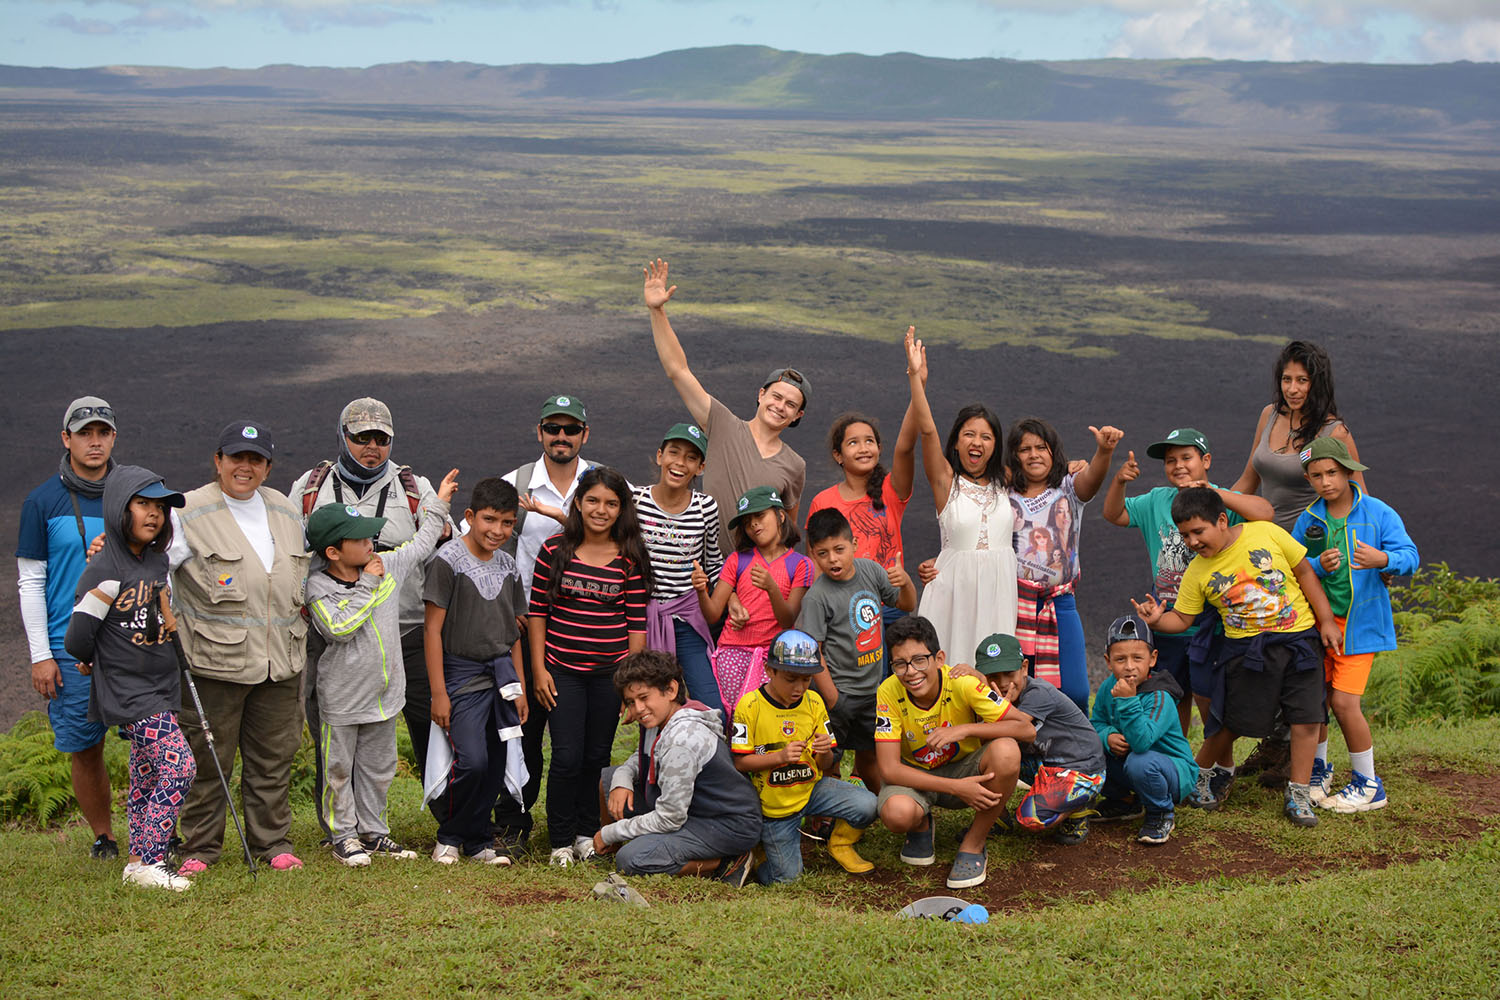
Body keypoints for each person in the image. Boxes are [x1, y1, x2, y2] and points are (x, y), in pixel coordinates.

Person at [1132, 487, 1343, 828]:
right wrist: (1157, 619)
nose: (1192, 541)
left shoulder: (1265, 532)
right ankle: (1196, 775)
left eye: (1198, 531)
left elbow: (1304, 572)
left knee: (1307, 720)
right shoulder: (1198, 572)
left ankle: (1300, 793)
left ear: (1220, 520)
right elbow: (1183, 619)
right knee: (1229, 722)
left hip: (1299, 641)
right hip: (1246, 651)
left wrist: (1328, 621)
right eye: (1185, 535)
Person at [291, 397, 448, 842]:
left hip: (407, 632)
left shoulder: (413, 487)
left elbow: (434, 542)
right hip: (332, 628)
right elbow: (286, 547)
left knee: (422, 727)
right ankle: (341, 831)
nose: (371, 447)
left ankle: (446, 822)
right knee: (334, 733)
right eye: (361, 438)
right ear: (343, 437)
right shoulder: (310, 486)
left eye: (381, 438)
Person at [171, 421, 311, 874]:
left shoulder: (287, 511)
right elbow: (150, 566)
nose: (244, 467)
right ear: (218, 461)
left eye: (255, 459)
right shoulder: (187, 512)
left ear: (268, 467)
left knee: (273, 759)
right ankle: (200, 849)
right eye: (236, 458)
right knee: (208, 760)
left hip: (281, 662)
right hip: (215, 663)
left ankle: (273, 843)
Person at [304, 468, 458, 867]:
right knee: (339, 769)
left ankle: (373, 833)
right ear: (333, 552)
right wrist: (369, 587)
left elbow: (422, 542)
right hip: (341, 700)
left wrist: (438, 503)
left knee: (378, 769)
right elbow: (339, 628)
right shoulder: (319, 587)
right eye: (358, 539)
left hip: (384, 698)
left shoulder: (386, 564)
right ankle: (343, 835)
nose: (370, 542)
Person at [63, 466, 194, 891]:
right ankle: (150, 860)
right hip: (130, 688)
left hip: (162, 682)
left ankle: (139, 855)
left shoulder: (155, 560)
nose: (154, 514)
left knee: (148, 775)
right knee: (179, 767)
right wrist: (94, 661)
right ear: (120, 509)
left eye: (160, 507)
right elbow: (78, 637)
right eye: (143, 504)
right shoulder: (103, 568)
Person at [1100, 428, 1275, 734]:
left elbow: (1265, 514)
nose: (1178, 465)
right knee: (1169, 696)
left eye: (1186, 457)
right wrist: (1119, 481)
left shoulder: (1219, 501)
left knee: (1209, 697)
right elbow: (1114, 514)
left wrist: (1215, 493)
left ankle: (1216, 764)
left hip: (1212, 622)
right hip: (1168, 618)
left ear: (1205, 460)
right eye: (1170, 460)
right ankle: (1177, 755)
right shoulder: (1157, 500)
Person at [491, 392, 599, 856]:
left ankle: (577, 825)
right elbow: (478, 539)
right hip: (522, 623)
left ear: (583, 435)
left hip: (582, 623)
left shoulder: (602, 485)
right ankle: (512, 825)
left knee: (581, 740)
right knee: (524, 729)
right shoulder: (512, 484)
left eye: (570, 429)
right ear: (539, 433)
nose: (561, 436)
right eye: (552, 428)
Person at [643, 258, 808, 555]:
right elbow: (678, 371)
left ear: (798, 415)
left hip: (753, 582)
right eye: (776, 396)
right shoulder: (722, 424)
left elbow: (787, 534)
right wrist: (657, 310)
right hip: (701, 569)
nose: (780, 406)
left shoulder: (795, 466)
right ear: (761, 394)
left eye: (790, 404)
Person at [529, 467, 651, 867]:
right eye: (593, 501)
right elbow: (537, 615)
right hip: (561, 671)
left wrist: (630, 686)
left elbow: (636, 624)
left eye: (611, 503)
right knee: (566, 755)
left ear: (622, 509)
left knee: (596, 756)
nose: (601, 510)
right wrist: (539, 669)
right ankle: (560, 840)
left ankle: (585, 833)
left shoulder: (630, 557)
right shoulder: (554, 550)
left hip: (609, 677)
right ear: (578, 503)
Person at [1291, 439, 1418, 813]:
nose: (1326, 482)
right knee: (1318, 700)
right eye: (1316, 475)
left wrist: (1383, 559)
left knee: (1345, 703)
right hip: (1316, 626)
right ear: (1308, 478)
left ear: (1349, 472)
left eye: (1332, 473)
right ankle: (1319, 771)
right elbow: (1295, 568)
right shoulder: (1309, 519)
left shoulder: (1379, 514)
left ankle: (1368, 785)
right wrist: (1318, 566)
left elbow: (1410, 557)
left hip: (1360, 627)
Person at [17, 395, 120, 859]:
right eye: (84, 434)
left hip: (129, 640)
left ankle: (155, 827)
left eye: (102, 433)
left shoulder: (135, 491)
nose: (94, 442)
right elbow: (30, 581)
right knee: (85, 746)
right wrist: (41, 654)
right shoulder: (41, 501)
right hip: (70, 646)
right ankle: (104, 836)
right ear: (67, 439)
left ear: (113, 437)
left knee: (150, 739)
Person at [874, 615, 1032, 890]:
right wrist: (956, 788)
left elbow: (1026, 729)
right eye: (900, 664)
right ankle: (920, 823)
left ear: (939, 659)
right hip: (918, 777)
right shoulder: (888, 691)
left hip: (965, 768)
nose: (911, 672)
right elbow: (889, 769)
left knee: (1006, 751)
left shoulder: (964, 683)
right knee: (896, 813)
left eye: (920, 660)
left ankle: (974, 842)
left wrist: (966, 730)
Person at [424, 477, 530, 865]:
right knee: (472, 760)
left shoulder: (508, 564)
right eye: (489, 520)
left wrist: (517, 686)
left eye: (507, 523)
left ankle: (480, 841)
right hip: (461, 674)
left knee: (497, 761)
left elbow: (515, 631)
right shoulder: (447, 561)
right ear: (469, 517)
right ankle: (449, 835)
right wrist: (439, 691)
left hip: (501, 675)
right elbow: (432, 629)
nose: (497, 531)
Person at [596, 650, 761, 885]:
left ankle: (728, 861)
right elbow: (642, 757)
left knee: (632, 859)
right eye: (631, 702)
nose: (639, 709)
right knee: (609, 779)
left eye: (644, 697)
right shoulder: (663, 717)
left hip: (726, 823)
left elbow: (670, 818)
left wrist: (610, 832)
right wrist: (622, 778)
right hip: (690, 808)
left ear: (671, 690)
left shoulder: (681, 740)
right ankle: (606, 850)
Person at [903, 328, 1018, 661]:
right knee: (949, 669)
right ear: (956, 441)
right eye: (969, 434)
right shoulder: (946, 483)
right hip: (953, 592)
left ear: (996, 445)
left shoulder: (1005, 481)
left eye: (986, 436)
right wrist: (916, 378)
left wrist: (1078, 465)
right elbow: (926, 429)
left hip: (999, 590)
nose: (976, 442)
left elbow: (1044, 464)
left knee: (994, 672)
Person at [732, 628, 879, 883]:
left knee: (869, 804)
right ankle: (760, 851)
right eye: (791, 679)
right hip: (774, 807)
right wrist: (779, 757)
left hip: (811, 790)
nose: (799, 687)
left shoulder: (814, 702)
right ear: (769, 670)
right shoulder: (749, 706)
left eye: (806, 680)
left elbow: (824, 765)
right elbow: (740, 762)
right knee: (787, 880)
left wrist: (824, 753)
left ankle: (841, 845)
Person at [1005, 417, 1123, 711]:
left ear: (1053, 452)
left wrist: (1103, 453)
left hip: (1059, 603)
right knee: (1019, 691)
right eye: (1025, 449)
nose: (1033, 454)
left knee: (1075, 690)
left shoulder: (1068, 488)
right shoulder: (1002, 494)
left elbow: (1092, 478)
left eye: (1041, 447)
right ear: (1014, 456)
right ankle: (1029, 755)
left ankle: (1076, 751)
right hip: (1013, 603)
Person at [797, 508, 916, 789]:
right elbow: (813, 652)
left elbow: (907, 604)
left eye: (839, 549)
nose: (832, 559)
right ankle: (825, 818)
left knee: (871, 755)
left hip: (873, 691)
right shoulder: (817, 597)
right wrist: (834, 698)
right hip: (837, 693)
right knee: (830, 760)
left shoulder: (871, 571)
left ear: (854, 545)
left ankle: (878, 805)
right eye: (822, 553)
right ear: (813, 554)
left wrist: (907, 581)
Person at [958, 633, 1107, 845]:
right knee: (987, 757)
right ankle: (997, 818)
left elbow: (1019, 727)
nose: (1001, 683)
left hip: (1083, 769)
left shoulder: (1039, 693)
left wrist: (995, 708)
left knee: (1031, 818)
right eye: (992, 676)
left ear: (1024, 668)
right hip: (1046, 762)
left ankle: (1077, 808)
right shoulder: (992, 694)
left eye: (1009, 673)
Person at [691, 486, 812, 717]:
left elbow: (788, 620)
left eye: (760, 516)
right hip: (732, 653)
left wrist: (771, 587)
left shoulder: (800, 564)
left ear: (781, 515)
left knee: (771, 719)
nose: (754, 525)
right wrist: (701, 590)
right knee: (734, 720)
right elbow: (713, 614)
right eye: (747, 522)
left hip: (775, 657)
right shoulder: (736, 560)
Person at [635, 422, 725, 719]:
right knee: (650, 708)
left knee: (713, 708)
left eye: (690, 458)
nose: (680, 463)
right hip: (643, 620)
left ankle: (709, 764)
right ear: (660, 456)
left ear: (700, 468)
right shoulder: (636, 501)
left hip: (687, 619)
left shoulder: (705, 508)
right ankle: (653, 764)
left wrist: (731, 598)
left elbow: (714, 562)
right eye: (674, 452)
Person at [1233, 341, 1365, 530]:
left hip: (1311, 545)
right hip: (1267, 539)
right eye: (1287, 379)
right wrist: (1212, 510)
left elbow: (1360, 498)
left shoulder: (1335, 432)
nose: (1292, 389)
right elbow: (1248, 481)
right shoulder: (1269, 415)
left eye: (1302, 380)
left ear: (1317, 384)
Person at [1089, 615, 1198, 846]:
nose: (1129, 666)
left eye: (1137, 658)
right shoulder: (1109, 686)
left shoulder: (1160, 696)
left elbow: (1142, 742)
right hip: (1133, 764)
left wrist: (1128, 701)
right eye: (1120, 659)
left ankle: (1161, 812)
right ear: (1108, 662)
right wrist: (1107, 736)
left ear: (1152, 659)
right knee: (1090, 749)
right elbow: (1095, 723)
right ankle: (1124, 801)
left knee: (1141, 761)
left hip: (1173, 771)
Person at [805, 406, 918, 614]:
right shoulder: (822, 501)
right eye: (853, 443)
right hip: (844, 610)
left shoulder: (892, 489)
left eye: (869, 441)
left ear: (879, 448)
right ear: (838, 455)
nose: (864, 448)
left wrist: (916, 384)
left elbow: (906, 447)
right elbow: (816, 563)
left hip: (891, 606)